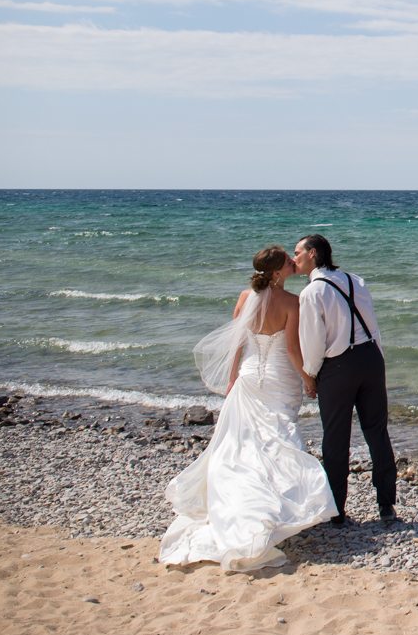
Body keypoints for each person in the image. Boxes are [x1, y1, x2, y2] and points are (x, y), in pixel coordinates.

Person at [159, 245, 338, 571]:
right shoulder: (292, 302)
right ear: (277, 272)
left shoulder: (245, 298)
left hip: (248, 376)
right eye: (287, 260)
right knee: (277, 437)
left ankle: (253, 502)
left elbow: (238, 343)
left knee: (244, 443)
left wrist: (232, 379)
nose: (292, 261)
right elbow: (292, 350)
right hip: (279, 380)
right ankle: (274, 508)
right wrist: (308, 380)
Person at [294, 233, 398, 524]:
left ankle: (337, 509)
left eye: (297, 252)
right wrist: (377, 357)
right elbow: (373, 325)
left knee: (336, 437)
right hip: (371, 358)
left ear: (313, 253)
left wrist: (310, 375)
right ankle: (386, 505)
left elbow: (313, 341)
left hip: (338, 366)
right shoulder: (356, 281)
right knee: (377, 432)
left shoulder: (312, 292)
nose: (294, 258)